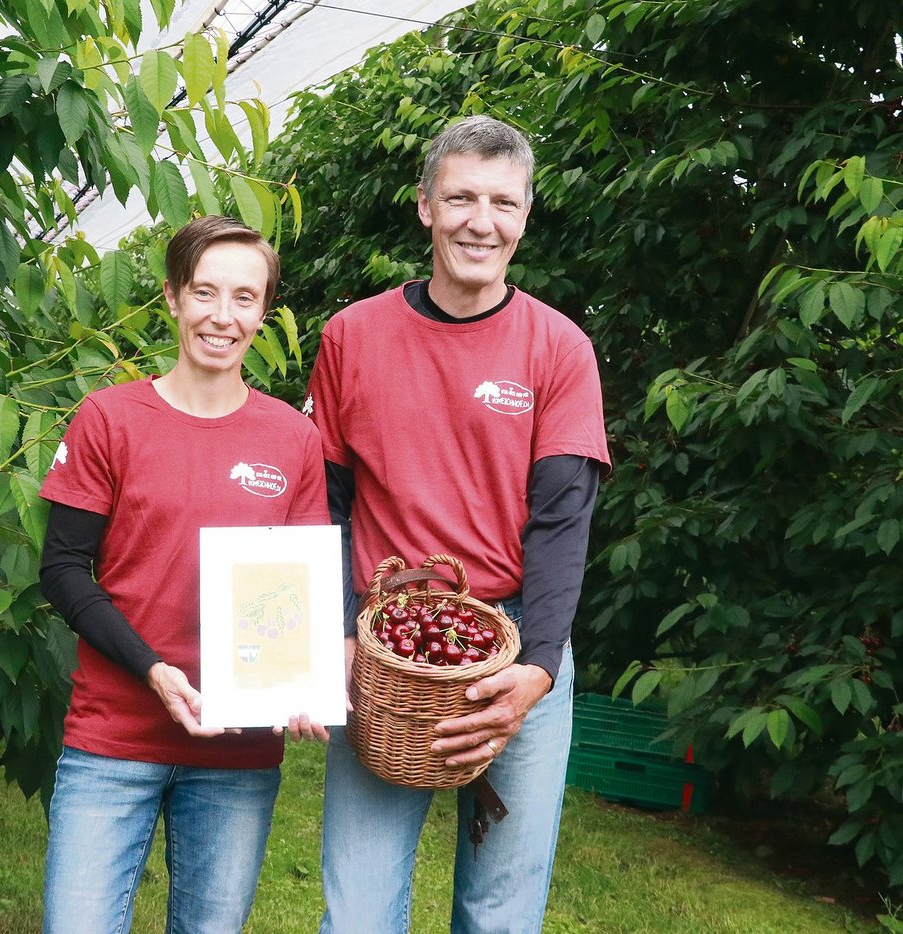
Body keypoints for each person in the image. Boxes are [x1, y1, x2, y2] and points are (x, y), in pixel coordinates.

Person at [304, 115, 611, 933]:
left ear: (525, 215)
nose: (483, 220)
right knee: (358, 913)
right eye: (462, 197)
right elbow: (324, 505)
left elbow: (562, 522)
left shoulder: (559, 348)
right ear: (424, 206)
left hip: (516, 641)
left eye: (504, 203)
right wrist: (336, 632)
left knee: (499, 917)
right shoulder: (352, 336)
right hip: (384, 642)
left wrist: (538, 671)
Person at [37, 215, 332, 934]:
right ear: (172, 297)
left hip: (237, 754)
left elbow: (299, 587)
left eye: (243, 298)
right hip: (114, 737)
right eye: (205, 293)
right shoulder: (109, 418)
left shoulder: (292, 437)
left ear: (263, 312)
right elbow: (64, 570)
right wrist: (153, 670)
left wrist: (301, 683)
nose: (222, 317)